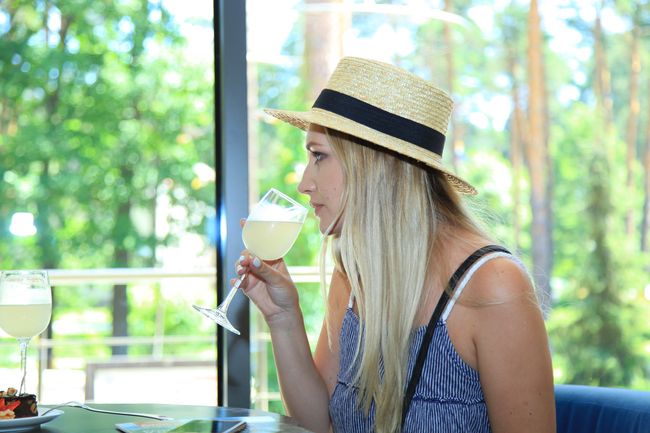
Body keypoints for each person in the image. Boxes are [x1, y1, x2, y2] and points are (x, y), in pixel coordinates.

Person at [235, 57, 555, 433]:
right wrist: (282, 318)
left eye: (318, 155)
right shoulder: (353, 273)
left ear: (376, 164)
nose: (304, 183)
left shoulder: (494, 284)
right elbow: (317, 425)